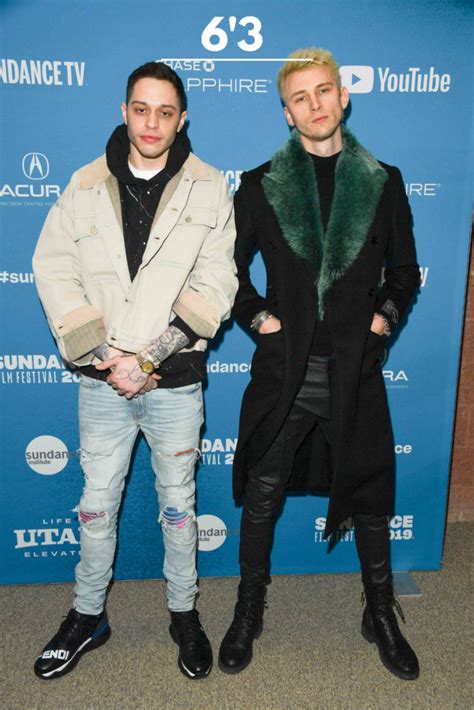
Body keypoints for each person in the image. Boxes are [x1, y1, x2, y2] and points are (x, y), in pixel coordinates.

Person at [218, 47, 420, 681]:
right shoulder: (260, 184)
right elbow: (226, 271)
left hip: (354, 370)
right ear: (288, 113)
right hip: (287, 370)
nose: (315, 105)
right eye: (300, 98)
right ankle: (248, 609)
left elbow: (404, 272)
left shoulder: (383, 180)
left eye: (323, 91)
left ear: (343, 96)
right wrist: (260, 321)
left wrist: (383, 319)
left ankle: (380, 611)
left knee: (370, 495)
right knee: (262, 492)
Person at [32, 61, 237, 680]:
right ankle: (87, 615)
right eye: (141, 110)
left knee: (178, 506)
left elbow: (217, 283)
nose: (152, 123)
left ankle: (184, 613)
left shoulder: (209, 188)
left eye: (165, 113)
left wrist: (147, 360)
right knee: (95, 506)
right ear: (124, 112)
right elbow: (54, 271)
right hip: (102, 382)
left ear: (182, 120)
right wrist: (106, 358)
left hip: (173, 381)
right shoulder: (84, 184)